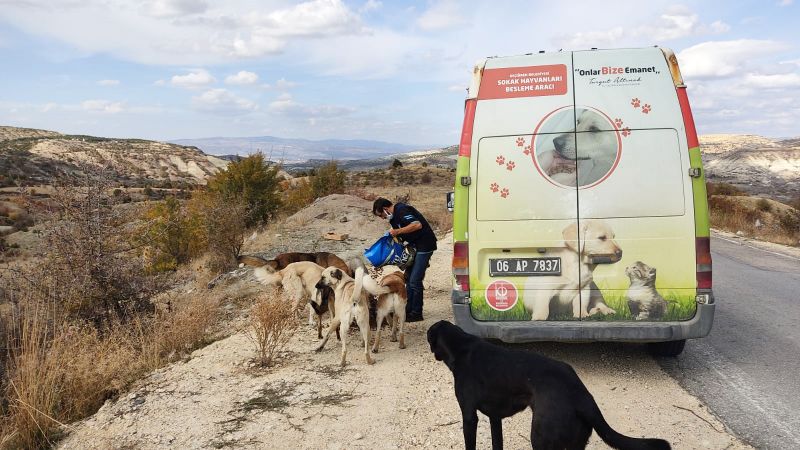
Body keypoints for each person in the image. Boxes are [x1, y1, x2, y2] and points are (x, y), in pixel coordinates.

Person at [372, 197, 437, 322]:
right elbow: (400, 235)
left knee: (414, 280)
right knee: (408, 278)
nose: (382, 218)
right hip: (415, 246)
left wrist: (397, 231)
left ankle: (416, 313)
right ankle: (407, 309)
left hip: (425, 245)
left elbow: (417, 225)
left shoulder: (401, 210)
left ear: (385, 209)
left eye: (381, 215)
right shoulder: (394, 218)